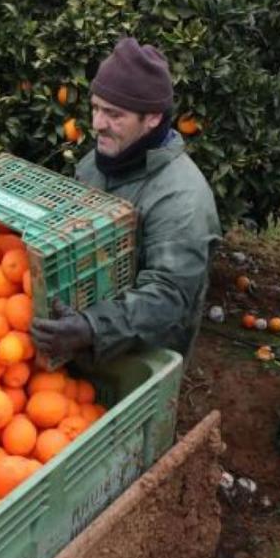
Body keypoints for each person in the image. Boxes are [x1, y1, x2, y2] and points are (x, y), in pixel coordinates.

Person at [30, 38, 221, 365]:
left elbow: (167, 297)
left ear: (153, 118)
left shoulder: (180, 199)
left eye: (114, 114)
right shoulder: (98, 162)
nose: (97, 124)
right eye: (96, 108)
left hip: (140, 359)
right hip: (80, 344)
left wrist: (91, 327)